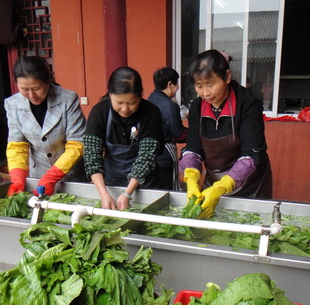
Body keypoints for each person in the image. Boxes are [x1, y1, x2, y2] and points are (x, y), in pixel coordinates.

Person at [179, 49, 272, 219]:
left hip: (249, 185)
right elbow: (193, 148)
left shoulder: (248, 103)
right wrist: (191, 178)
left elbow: (251, 155)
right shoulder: (197, 108)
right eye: (199, 86)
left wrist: (222, 186)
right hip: (213, 181)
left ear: (227, 77)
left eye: (211, 84)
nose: (205, 93)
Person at [83, 66, 163, 210]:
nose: (125, 109)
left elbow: (146, 156)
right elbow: (92, 155)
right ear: (110, 94)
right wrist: (103, 193)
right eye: (119, 102)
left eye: (132, 103)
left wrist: (127, 193)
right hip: (110, 183)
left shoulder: (151, 113)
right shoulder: (99, 112)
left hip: (144, 185)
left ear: (140, 95)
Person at [5, 56, 87, 197]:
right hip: (38, 176)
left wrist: (52, 176)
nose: (31, 95)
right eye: (24, 89)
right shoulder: (12, 104)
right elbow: (17, 145)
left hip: (71, 176)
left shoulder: (67, 99)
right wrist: (17, 178)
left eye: (36, 88)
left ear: (47, 81)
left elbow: (77, 144)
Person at [147, 67, 188, 190]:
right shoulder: (169, 106)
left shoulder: (150, 99)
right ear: (170, 84)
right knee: (169, 189)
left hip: (150, 153)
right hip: (165, 153)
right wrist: (196, 133)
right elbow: (177, 133)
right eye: (177, 84)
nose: (178, 87)